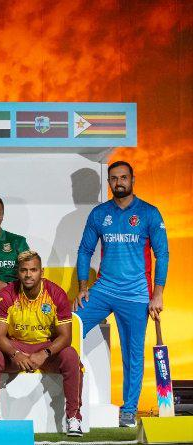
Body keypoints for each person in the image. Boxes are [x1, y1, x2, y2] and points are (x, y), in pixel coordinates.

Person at [75, 161, 168, 427]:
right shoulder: (99, 213)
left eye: (124, 177)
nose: (119, 182)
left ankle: (129, 410)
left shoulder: (149, 213)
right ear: (109, 182)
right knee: (70, 328)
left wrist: (157, 294)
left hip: (136, 295)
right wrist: (83, 287)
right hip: (104, 289)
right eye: (114, 178)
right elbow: (84, 250)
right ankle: (69, 402)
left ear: (132, 180)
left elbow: (162, 254)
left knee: (132, 354)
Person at [0, 251, 82, 436]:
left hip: (46, 348)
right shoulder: (7, 294)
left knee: (71, 355)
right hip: (17, 347)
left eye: (33, 270)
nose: (28, 275)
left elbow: (66, 337)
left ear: (42, 272)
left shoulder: (56, 293)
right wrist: (15, 353)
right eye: (24, 270)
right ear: (18, 272)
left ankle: (74, 418)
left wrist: (44, 353)